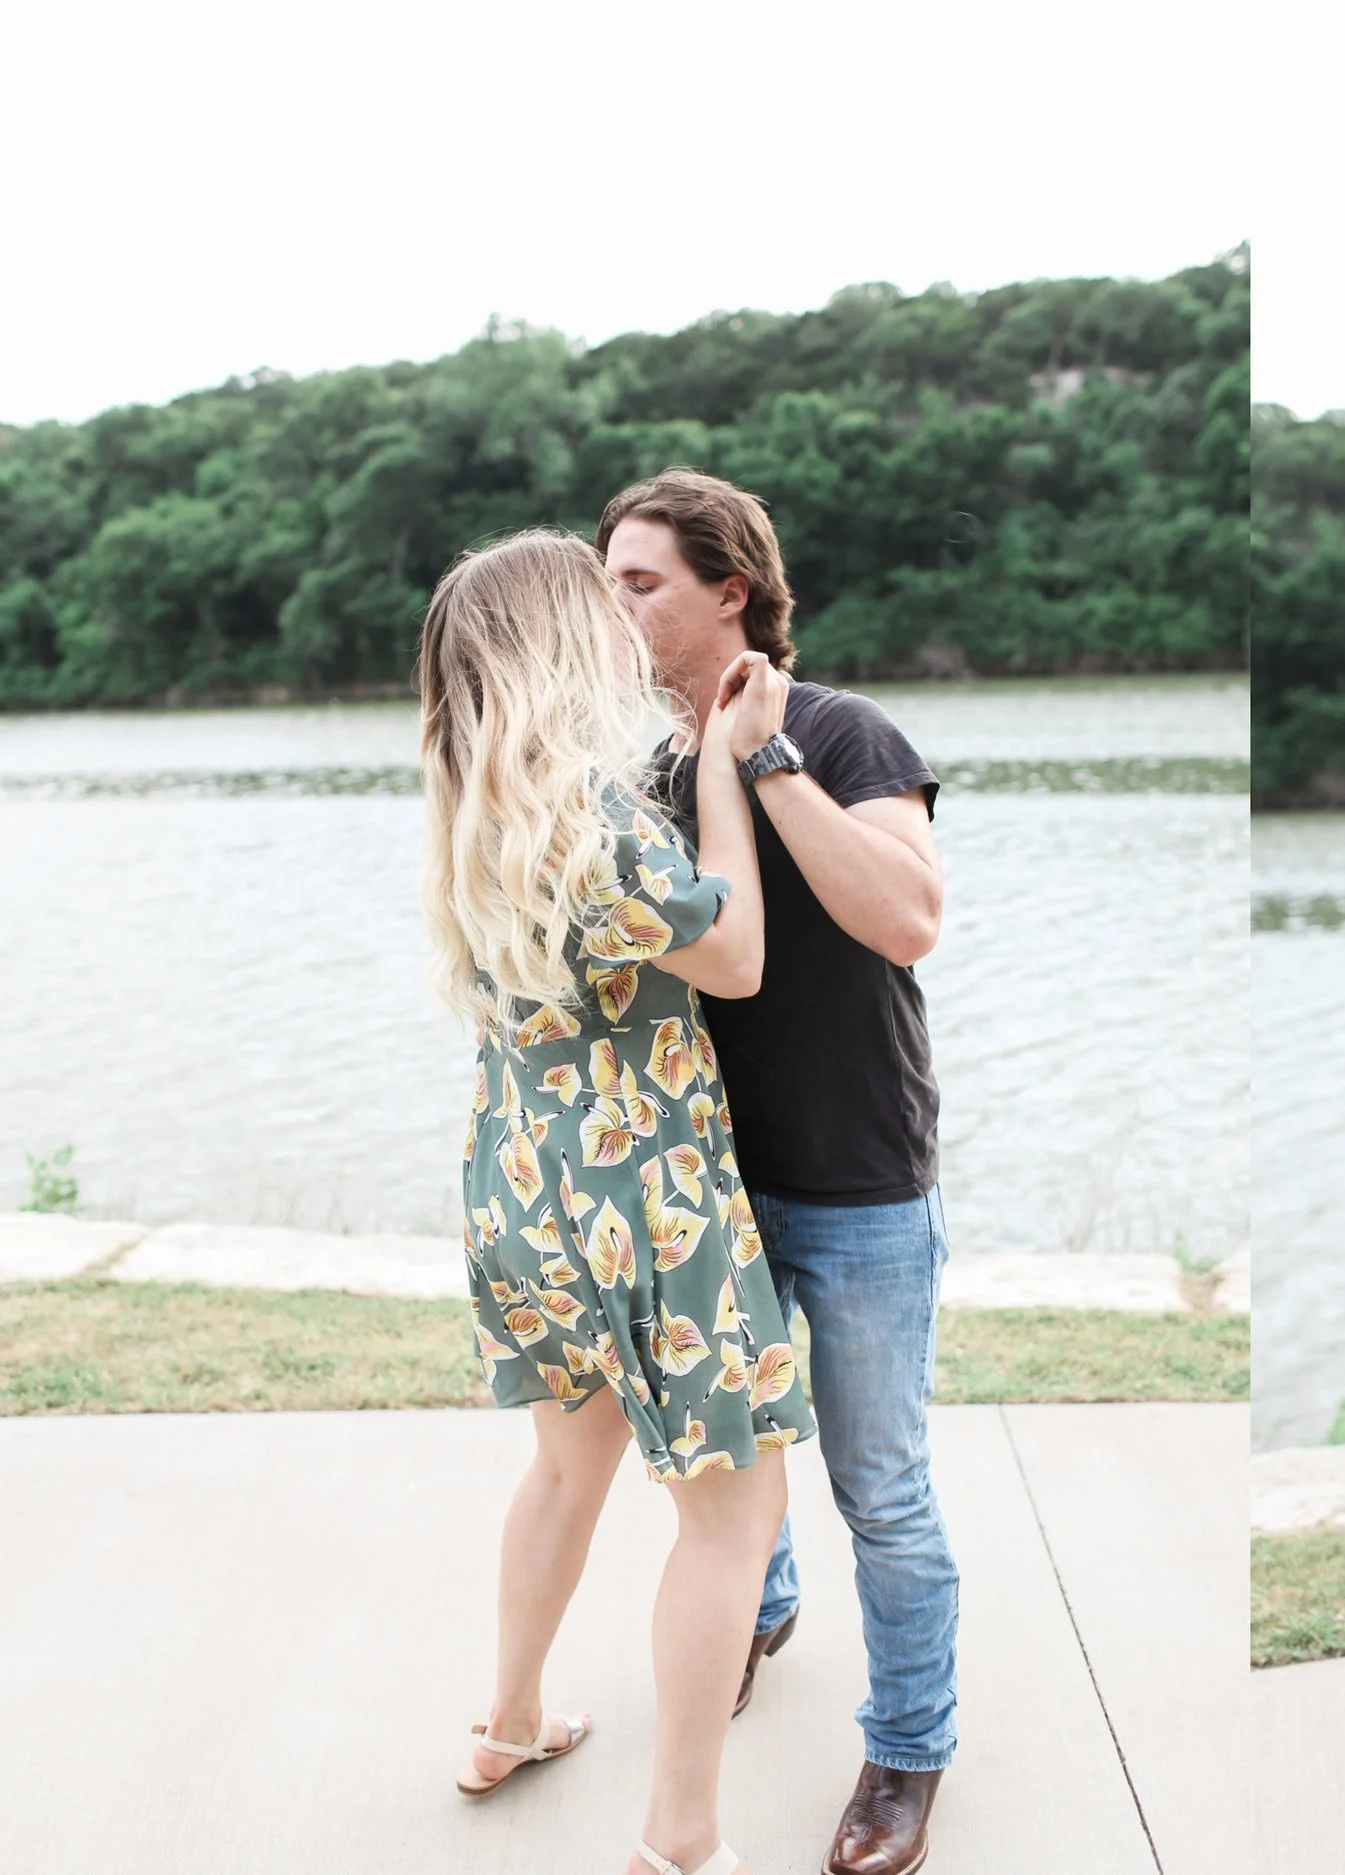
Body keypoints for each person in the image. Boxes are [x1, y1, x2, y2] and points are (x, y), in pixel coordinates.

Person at [417, 528, 811, 1875]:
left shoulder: (473, 816)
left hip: (522, 1191)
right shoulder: (599, 819)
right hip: (647, 1202)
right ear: (563, 648)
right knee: (734, 1519)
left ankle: (511, 1718)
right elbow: (737, 959)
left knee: (566, 1463)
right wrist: (723, 767)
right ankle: (681, 1838)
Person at [599, 469, 956, 1875]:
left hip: (860, 1180)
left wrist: (766, 761)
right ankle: (757, 1601)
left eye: (641, 583)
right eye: (606, 582)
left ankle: (908, 1749)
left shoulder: (846, 730)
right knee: (731, 1461)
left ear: (729, 591)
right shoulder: (634, 771)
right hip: (705, 1189)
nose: (615, 605)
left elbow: (908, 918)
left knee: (884, 1491)